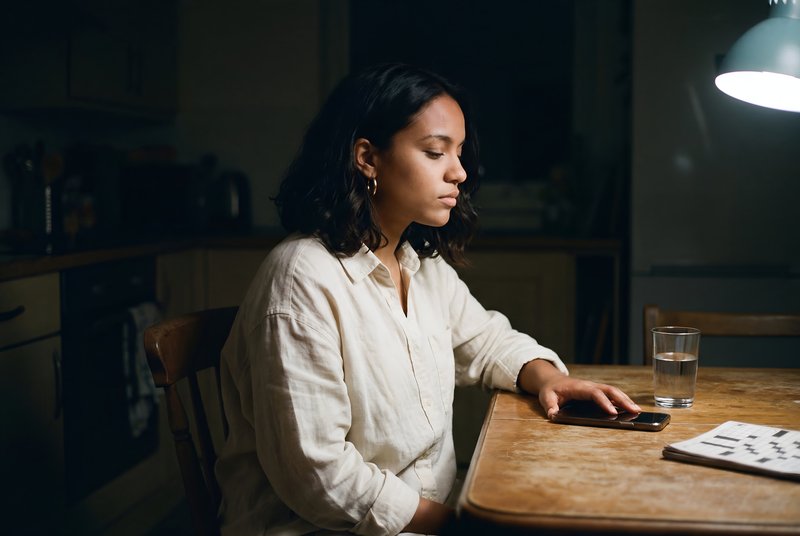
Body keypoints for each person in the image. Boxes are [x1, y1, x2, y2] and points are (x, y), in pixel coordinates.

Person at [215, 63, 640, 536]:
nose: (459, 172)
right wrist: (459, 526)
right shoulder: (301, 280)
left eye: (459, 152)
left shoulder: (419, 263)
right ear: (367, 158)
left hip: (432, 513)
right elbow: (319, 477)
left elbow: (487, 340)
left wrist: (549, 379)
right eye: (435, 152)